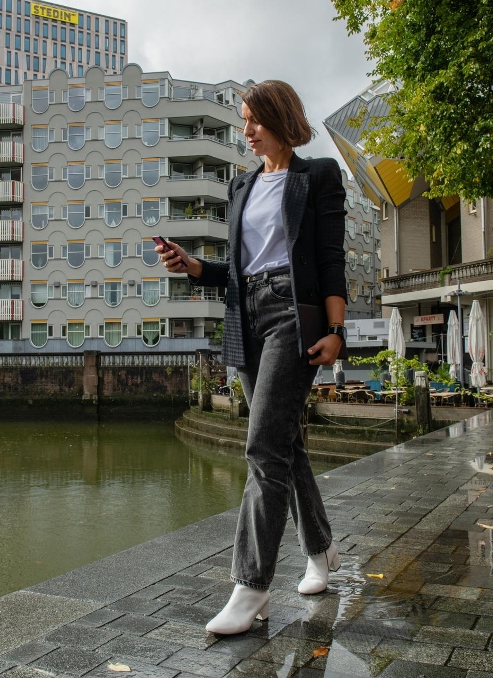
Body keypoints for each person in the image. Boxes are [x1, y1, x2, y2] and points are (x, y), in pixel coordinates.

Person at [157, 80, 347, 635]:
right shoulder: (240, 186)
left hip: (294, 313)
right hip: (247, 318)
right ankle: (322, 549)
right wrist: (194, 268)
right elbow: (239, 270)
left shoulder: (317, 177)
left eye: (252, 121)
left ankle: (251, 586)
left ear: (279, 117)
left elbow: (330, 260)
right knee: (285, 443)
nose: (245, 132)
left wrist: (338, 330)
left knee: (262, 444)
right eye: (241, 121)